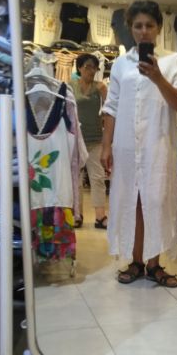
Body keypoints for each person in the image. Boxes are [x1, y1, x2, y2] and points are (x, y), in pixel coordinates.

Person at [101, 0, 177, 287]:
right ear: (131, 29)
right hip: (126, 146)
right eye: (138, 26)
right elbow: (111, 107)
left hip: (157, 145)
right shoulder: (120, 64)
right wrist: (106, 146)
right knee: (132, 202)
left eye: (149, 25)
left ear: (159, 28)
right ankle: (137, 262)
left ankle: (155, 265)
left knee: (156, 201)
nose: (144, 31)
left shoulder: (172, 60)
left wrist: (158, 77)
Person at [71, 53, 108, 229]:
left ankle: (100, 217)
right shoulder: (70, 86)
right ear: (79, 68)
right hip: (76, 139)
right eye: (87, 67)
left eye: (94, 67)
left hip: (95, 138)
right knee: (76, 179)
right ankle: (77, 214)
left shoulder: (100, 87)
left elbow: (109, 110)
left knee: (98, 178)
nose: (91, 71)